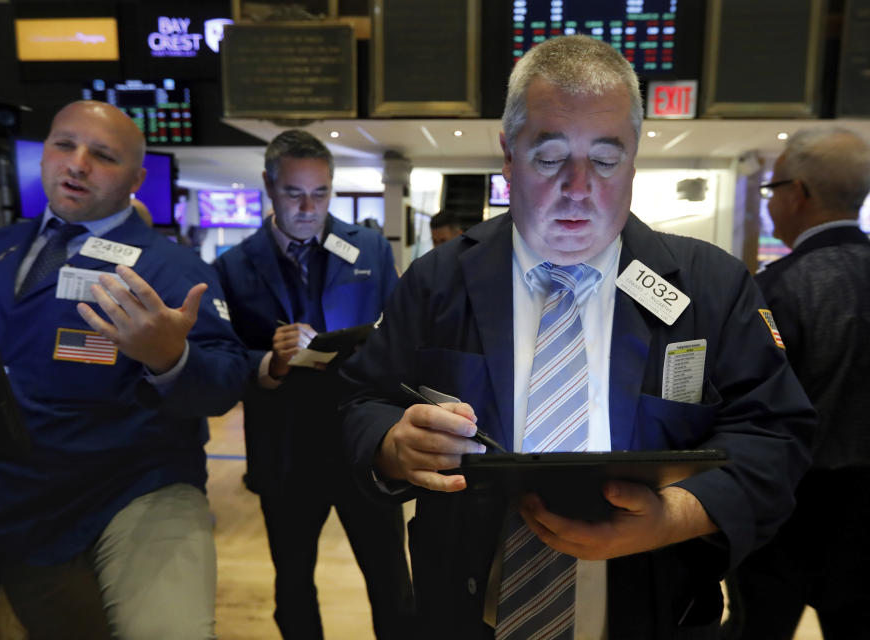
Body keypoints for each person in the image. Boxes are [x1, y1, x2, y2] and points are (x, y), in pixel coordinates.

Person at [339, 35, 813, 640]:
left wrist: (674, 518)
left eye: (607, 160)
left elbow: (775, 434)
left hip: (659, 611)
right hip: (464, 614)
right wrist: (390, 443)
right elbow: (362, 398)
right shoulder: (439, 280)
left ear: (635, 158)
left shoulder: (710, 287)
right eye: (550, 156)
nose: (579, 187)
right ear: (509, 154)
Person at [0, 100, 250, 640]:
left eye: (103, 155)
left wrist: (171, 357)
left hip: (132, 487)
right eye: (64, 145)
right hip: (8, 495)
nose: (77, 164)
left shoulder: (173, 268)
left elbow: (226, 380)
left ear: (138, 178)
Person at [213, 129, 414, 639]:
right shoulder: (232, 266)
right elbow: (224, 358)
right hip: (285, 451)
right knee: (294, 583)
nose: (309, 207)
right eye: (294, 193)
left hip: (363, 443)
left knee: (391, 582)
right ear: (268, 185)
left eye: (320, 193)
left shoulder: (367, 245)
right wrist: (272, 363)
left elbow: (400, 332)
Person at [722, 128, 870, 639]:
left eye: (772, 190)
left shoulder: (776, 288)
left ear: (798, 193)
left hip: (784, 509)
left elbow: (747, 410)